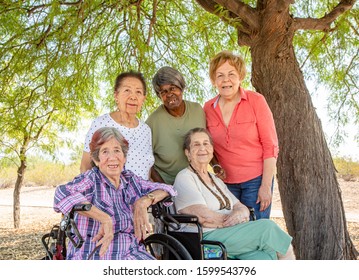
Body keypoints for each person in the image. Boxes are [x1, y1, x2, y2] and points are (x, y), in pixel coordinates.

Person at [54, 127, 176, 260]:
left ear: (124, 157)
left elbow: (166, 189)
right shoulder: (91, 180)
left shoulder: (130, 180)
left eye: (117, 151)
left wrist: (144, 201)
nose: (112, 158)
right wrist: (104, 219)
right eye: (105, 151)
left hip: (131, 253)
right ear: (96, 159)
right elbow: (61, 193)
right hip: (95, 253)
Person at [173, 128, 294, 260]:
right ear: (188, 153)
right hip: (205, 237)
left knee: (265, 256)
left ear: (212, 150)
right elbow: (204, 217)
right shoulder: (184, 178)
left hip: (229, 233)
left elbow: (241, 207)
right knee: (267, 228)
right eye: (196, 144)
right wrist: (234, 221)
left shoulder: (215, 179)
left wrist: (240, 214)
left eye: (206, 143)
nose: (202, 148)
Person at [203, 50, 279, 219]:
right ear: (214, 80)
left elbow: (270, 146)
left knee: (255, 232)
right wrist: (215, 166)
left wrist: (265, 186)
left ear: (240, 77)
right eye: (220, 75)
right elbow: (207, 145)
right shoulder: (208, 108)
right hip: (225, 184)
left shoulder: (256, 101)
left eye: (231, 74)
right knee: (232, 233)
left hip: (256, 181)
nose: (225, 80)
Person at [80, 71, 154, 180]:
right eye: (127, 90)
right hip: (109, 194)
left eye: (138, 92)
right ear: (116, 95)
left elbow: (147, 168)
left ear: (143, 98)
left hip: (143, 194)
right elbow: (85, 167)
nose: (133, 97)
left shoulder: (145, 130)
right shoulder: (101, 123)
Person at [146, 66, 206, 185]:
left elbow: (206, 142)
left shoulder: (197, 110)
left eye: (173, 88)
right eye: (163, 92)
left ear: (181, 87)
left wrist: (215, 165)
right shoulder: (152, 122)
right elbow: (146, 162)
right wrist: (165, 188)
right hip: (168, 183)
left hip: (197, 180)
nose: (169, 94)